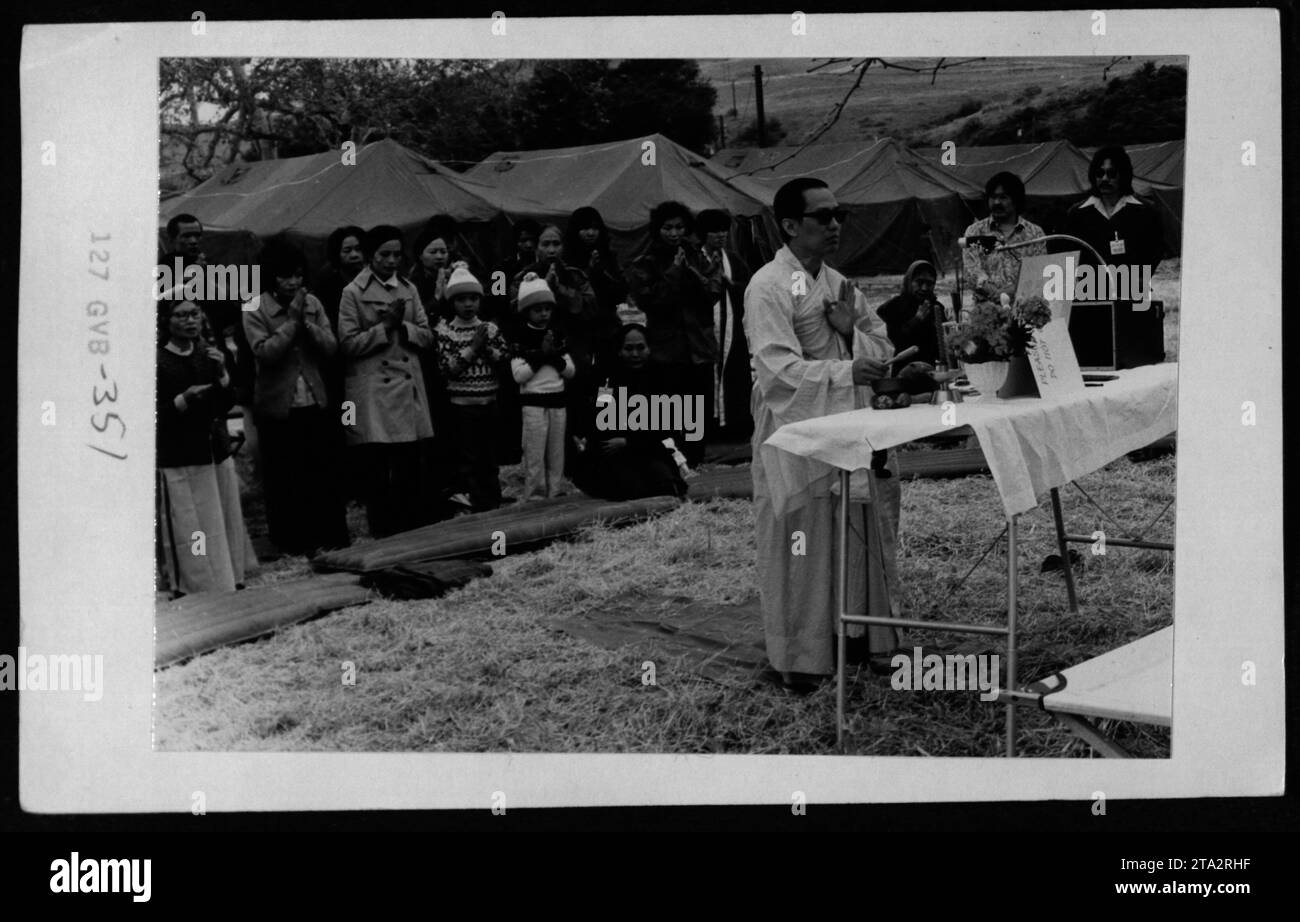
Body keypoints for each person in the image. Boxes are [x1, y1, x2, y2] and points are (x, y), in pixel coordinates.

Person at [745, 177, 904, 691]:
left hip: (847, 426)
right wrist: (845, 371)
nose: (835, 224)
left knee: (858, 532)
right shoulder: (767, 285)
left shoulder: (839, 285)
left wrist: (846, 332)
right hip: (796, 428)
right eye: (822, 216)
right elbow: (776, 373)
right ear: (790, 225)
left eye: (839, 214)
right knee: (802, 542)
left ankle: (858, 637)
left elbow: (881, 350)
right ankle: (801, 654)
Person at [242, 241, 350, 556]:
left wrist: (308, 324)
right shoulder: (253, 306)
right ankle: (293, 542)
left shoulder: (312, 302)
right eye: (285, 277)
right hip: (278, 406)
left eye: (298, 276)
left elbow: (331, 347)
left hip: (315, 400)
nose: (293, 283)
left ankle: (331, 536)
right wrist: (291, 322)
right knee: (286, 478)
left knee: (323, 472)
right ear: (271, 278)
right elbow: (265, 352)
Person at [337, 225, 437, 538]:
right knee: (379, 466)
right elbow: (347, 343)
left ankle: (412, 527)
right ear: (370, 256)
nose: (392, 260)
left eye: (396, 254)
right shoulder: (352, 292)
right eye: (384, 254)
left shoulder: (409, 288)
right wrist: (384, 328)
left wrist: (404, 329)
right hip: (375, 391)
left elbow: (427, 334)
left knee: (409, 463)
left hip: (406, 386)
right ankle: (384, 531)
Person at [156, 296, 257, 596]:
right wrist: (183, 400)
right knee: (193, 525)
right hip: (181, 455)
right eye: (181, 315)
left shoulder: (207, 354)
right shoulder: (158, 361)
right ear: (166, 321)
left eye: (194, 314)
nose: (190, 320)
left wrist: (223, 374)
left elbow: (227, 403)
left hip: (215, 449)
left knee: (220, 518)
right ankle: (198, 584)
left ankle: (228, 577)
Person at [625, 201, 719, 467]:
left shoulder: (696, 256)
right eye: (668, 227)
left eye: (679, 227)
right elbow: (648, 300)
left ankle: (696, 463)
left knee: (698, 411)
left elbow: (713, 291)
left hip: (699, 347)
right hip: (667, 349)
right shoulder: (645, 262)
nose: (674, 233)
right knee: (671, 410)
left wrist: (689, 271)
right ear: (658, 229)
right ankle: (673, 464)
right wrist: (673, 273)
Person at [511, 224, 604, 474]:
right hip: (535, 361)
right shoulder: (522, 277)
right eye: (545, 244)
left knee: (575, 413)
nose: (551, 250)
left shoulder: (575, 275)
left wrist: (559, 290)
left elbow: (591, 307)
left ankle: (575, 468)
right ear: (537, 247)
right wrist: (540, 292)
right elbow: (511, 311)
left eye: (556, 244)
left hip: (571, 354)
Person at [573, 320, 688, 502]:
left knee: (667, 486)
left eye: (640, 348)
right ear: (619, 350)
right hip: (615, 454)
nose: (635, 354)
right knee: (631, 490)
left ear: (649, 349)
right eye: (629, 348)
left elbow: (665, 427)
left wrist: (630, 441)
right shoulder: (607, 381)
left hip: (648, 449)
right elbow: (601, 419)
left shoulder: (660, 380)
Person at [431, 263, 509, 514]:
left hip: (489, 401)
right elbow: (447, 368)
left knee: (489, 456)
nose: (468, 304)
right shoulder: (446, 331)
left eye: (473, 298)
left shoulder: (490, 328)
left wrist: (487, 348)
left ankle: (493, 500)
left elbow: (504, 360)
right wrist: (473, 348)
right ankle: (475, 502)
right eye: (462, 299)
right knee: (468, 458)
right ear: (452, 302)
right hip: (462, 406)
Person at [510, 273, 575, 501]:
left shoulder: (556, 335)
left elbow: (570, 371)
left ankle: (554, 491)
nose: (544, 313)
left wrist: (554, 357)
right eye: (537, 309)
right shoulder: (520, 337)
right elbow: (519, 375)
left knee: (556, 453)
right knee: (535, 453)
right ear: (527, 311)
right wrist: (541, 357)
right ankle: (535, 495)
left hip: (557, 400)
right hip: (534, 403)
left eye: (547, 308)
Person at [1061, 145, 1164, 277]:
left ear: (1123, 174)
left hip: (1130, 291)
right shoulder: (1077, 214)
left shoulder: (1146, 212)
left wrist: (1137, 280)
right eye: (1099, 173)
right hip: (1089, 292)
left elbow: (1155, 252)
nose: (1104, 179)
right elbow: (1069, 254)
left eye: (1111, 173)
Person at [696, 208, 754, 441]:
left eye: (723, 231)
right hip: (703, 329)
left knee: (734, 375)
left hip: (732, 328)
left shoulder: (733, 259)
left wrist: (730, 283)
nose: (720, 236)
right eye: (714, 231)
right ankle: (707, 427)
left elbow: (749, 288)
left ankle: (734, 426)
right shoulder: (695, 258)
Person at [961, 172, 1046, 304]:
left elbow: (1039, 273)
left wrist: (1012, 291)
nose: (996, 202)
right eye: (993, 197)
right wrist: (995, 293)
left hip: (1024, 311)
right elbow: (971, 271)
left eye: (1003, 197)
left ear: (1016, 200)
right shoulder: (974, 232)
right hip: (986, 313)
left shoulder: (1035, 233)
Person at [876, 259, 947, 367]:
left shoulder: (937, 308)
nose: (924, 288)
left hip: (930, 370)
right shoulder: (891, 308)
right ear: (909, 281)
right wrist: (916, 320)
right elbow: (890, 344)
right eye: (919, 282)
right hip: (900, 371)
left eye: (929, 283)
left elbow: (943, 345)